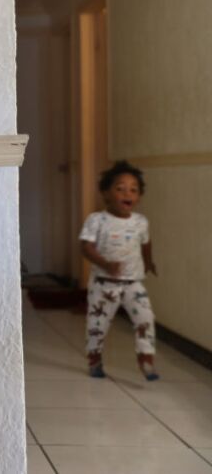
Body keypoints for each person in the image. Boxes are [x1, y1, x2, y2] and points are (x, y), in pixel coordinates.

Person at [79, 160, 159, 381]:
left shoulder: (141, 222)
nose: (128, 193)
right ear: (106, 193)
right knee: (98, 324)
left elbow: (146, 244)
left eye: (133, 189)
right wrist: (105, 264)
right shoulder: (97, 220)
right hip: (103, 283)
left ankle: (146, 357)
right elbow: (85, 247)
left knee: (146, 317)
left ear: (139, 196)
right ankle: (94, 359)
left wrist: (149, 261)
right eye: (120, 188)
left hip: (133, 282)